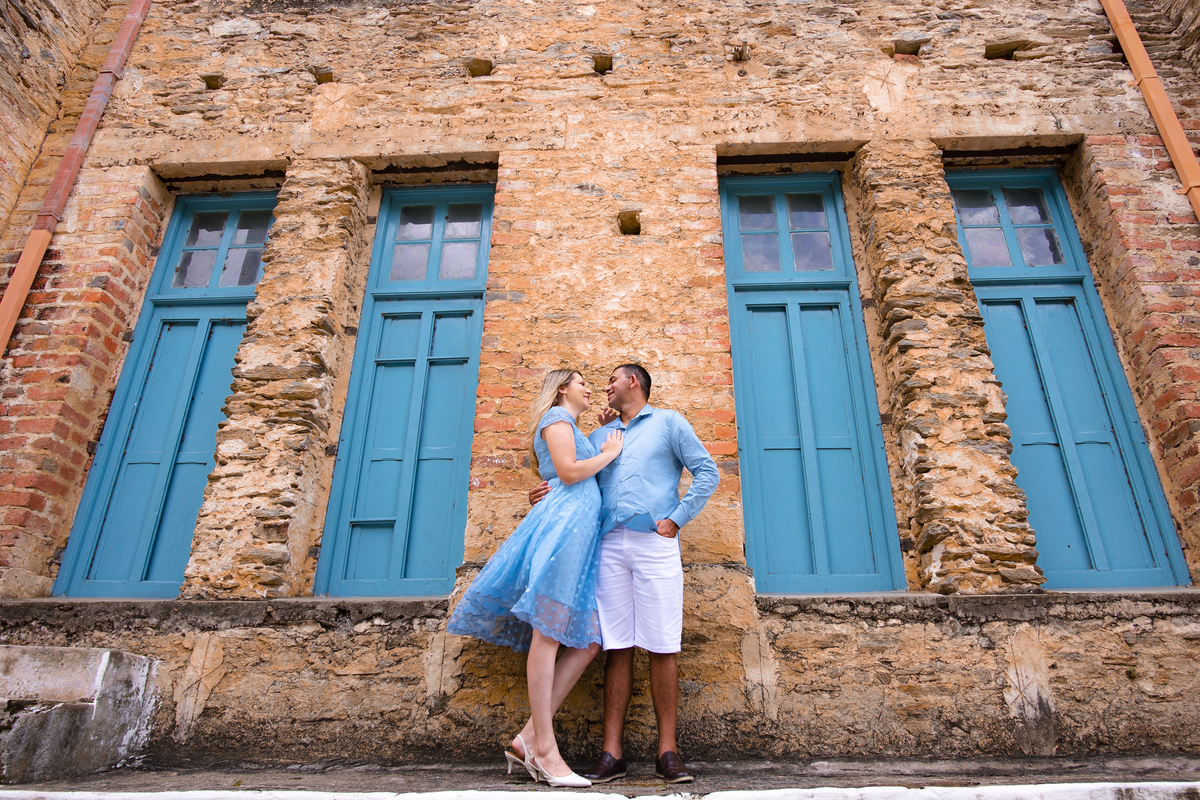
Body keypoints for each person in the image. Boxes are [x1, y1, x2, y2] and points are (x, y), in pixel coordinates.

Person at [529, 364, 719, 784]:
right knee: (616, 644)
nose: (604, 387)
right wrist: (539, 493)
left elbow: (708, 472)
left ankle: (667, 751)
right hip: (608, 546)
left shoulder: (670, 422)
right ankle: (611, 753)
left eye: (612, 380)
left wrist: (677, 518)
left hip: (655, 541)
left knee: (663, 643)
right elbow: (568, 475)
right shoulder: (599, 437)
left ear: (633, 381)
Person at [447, 369, 623, 788]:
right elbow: (567, 472)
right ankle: (545, 748)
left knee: (590, 640)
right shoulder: (557, 420)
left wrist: (602, 433)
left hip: (577, 533)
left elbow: (561, 472)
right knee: (548, 632)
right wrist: (609, 453)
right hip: (565, 529)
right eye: (582, 382)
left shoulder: (573, 427)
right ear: (563, 388)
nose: (589, 388)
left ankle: (528, 739)